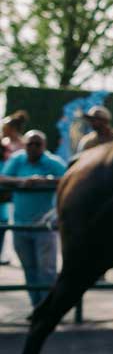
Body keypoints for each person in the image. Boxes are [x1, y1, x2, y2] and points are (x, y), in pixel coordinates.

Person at [0, 131, 68, 307]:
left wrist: (45, 181)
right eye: (30, 144)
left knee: (47, 270)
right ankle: (36, 306)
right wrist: (22, 182)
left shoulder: (53, 163)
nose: (33, 147)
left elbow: (69, 179)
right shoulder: (17, 160)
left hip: (44, 226)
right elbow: (3, 178)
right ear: (24, 144)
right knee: (29, 269)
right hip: (21, 225)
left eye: (37, 144)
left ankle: (47, 308)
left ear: (44, 146)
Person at [1, 110, 30, 265]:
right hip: (7, 185)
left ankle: (13, 252)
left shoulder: (23, 144)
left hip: (17, 185)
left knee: (14, 217)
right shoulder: (4, 143)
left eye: (5, 127)